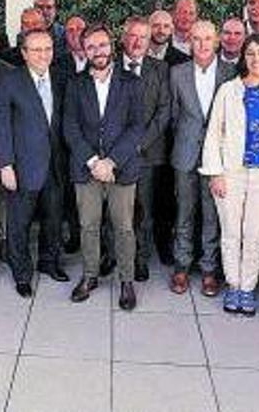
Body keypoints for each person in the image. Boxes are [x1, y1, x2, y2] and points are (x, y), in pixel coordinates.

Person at [201, 33, 259, 316]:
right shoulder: (229, 90)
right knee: (230, 232)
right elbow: (214, 133)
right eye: (250, 53)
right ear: (243, 57)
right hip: (232, 172)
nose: (256, 59)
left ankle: (248, 288)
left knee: (254, 234)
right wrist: (215, 173)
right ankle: (233, 285)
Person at [62, 24, 144, 309]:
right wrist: (94, 161)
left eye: (103, 44)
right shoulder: (74, 83)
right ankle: (90, 276)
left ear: (112, 45)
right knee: (88, 226)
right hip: (86, 168)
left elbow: (137, 127)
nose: (98, 51)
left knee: (123, 228)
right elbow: (69, 127)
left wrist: (111, 161)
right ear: (84, 51)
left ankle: (126, 280)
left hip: (122, 167)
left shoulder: (131, 82)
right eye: (92, 46)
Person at [0, 30, 69, 298]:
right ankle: (22, 273)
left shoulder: (60, 77)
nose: (43, 55)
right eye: (36, 50)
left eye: (47, 48)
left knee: (53, 219)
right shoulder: (9, 80)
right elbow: (0, 124)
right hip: (22, 166)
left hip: (57, 165)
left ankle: (50, 262)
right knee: (19, 223)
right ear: (24, 53)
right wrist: (6, 164)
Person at [167, 21, 235, 296]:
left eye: (208, 38)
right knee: (184, 213)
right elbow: (173, 115)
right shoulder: (177, 73)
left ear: (217, 41)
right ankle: (181, 266)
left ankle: (209, 269)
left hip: (217, 159)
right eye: (196, 39)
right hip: (185, 153)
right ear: (189, 42)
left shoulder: (231, 73)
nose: (203, 44)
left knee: (211, 215)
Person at [121, 16, 171, 282]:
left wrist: (139, 143)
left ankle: (140, 258)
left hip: (147, 153)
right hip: (115, 154)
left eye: (143, 36)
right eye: (133, 35)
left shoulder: (161, 69)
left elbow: (164, 112)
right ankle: (114, 255)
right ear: (123, 37)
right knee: (115, 209)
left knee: (143, 210)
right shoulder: (111, 67)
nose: (137, 41)